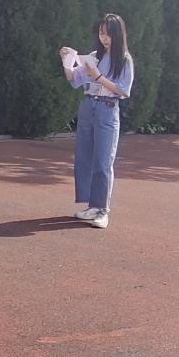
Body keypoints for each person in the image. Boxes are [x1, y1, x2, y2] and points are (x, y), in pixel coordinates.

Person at [59, 13, 135, 229]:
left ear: (118, 35)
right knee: (84, 156)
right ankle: (92, 205)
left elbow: (123, 90)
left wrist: (98, 76)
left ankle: (102, 210)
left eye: (108, 34)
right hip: (88, 105)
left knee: (103, 159)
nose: (104, 38)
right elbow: (74, 79)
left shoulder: (124, 60)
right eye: (101, 34)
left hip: (107, 107)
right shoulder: (94, 56)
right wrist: (66, 60)